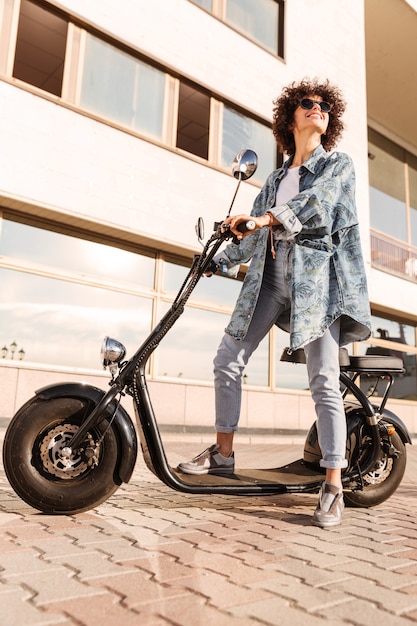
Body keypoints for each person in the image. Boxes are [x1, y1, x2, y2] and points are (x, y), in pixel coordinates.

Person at [178, 78, 371, 528]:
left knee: (323, 380)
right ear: (291, 117)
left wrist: (263, 218)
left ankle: (333, 484)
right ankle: (223, 456)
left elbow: (318, 204)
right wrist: (216, 260)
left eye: (323, 105)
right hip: (269, 279)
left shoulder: (337, 166)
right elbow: (252, 238)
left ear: (330, 119)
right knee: (227, 359)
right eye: (307, 103)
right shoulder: (276, 179)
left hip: (315, 285)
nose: (316, 108)